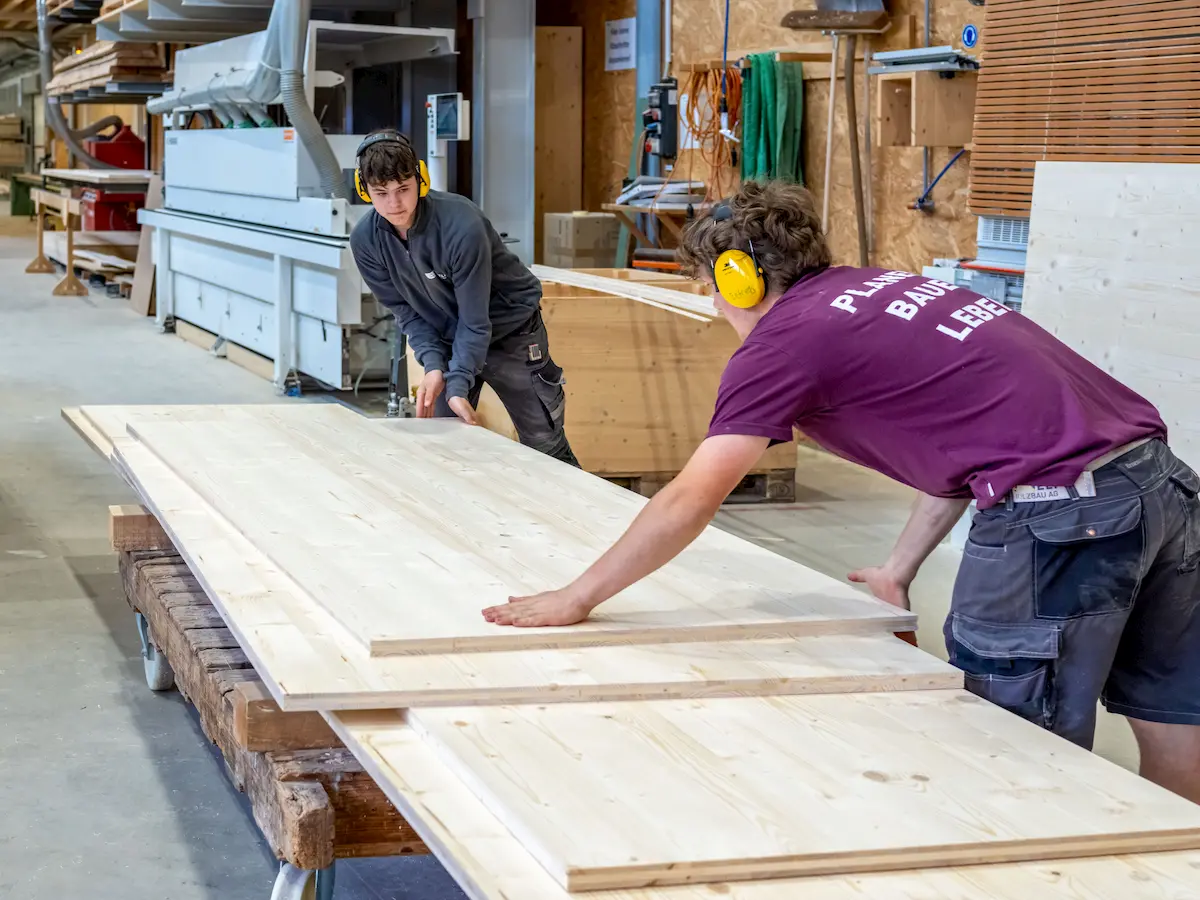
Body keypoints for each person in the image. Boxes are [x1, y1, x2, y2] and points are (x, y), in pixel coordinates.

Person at [482, 179, 1200, 803]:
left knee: (1010, 752)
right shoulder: (883, 290)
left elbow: (692, 496)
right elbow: (968, 447)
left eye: (712, 290)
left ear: (738, 279)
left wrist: (577, 597)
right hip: (1165, 485)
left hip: (1062, 518)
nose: (716, 310)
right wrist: (897, 570)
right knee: (1171, 718)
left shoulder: (782, 341)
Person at [349, 129, 579, 467]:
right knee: (448, 444)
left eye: (403, 189)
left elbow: (476, 319)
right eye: (381, 193)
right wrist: (434, 365)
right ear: (364, 190)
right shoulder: (366, 241)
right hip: (450, 335)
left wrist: (457, 383)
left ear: (421, 180)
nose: (394, 204)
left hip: (511, 332)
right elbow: (407, 312)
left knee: (544, 445)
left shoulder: (461, 224)